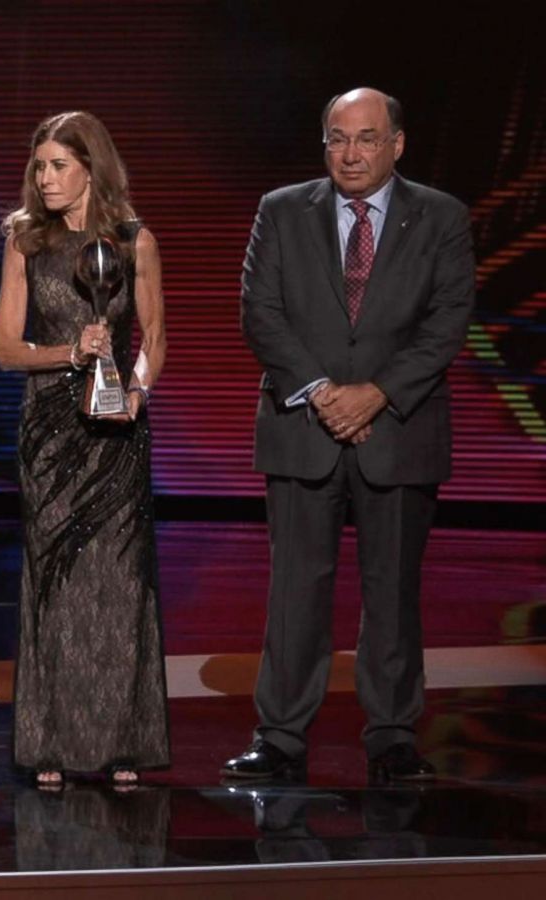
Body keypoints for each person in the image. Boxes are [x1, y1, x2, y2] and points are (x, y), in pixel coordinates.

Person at [223, 87, 474, 782]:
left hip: (400, 429)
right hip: (304, 426)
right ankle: (280, 737)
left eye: (367, 138)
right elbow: (260, 312)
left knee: (393, 593)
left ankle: (393, 736)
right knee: (295, 591)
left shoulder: (442, 216)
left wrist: (377, 394)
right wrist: (327, 394)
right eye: (338, 138)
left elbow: (448, 320)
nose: (351, 153)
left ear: (397, 144)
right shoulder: (281, 210)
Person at [0, 111, 169, 787]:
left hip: (117, 432)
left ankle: (123, 742)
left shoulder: (134, 242)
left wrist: (138, 393)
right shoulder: (25, 242)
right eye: (39, 167)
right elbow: (6, 348)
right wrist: (70, 352)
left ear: (91, 167)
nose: (45, 178)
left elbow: (153, 339)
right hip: (51, 430)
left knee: (119, 584)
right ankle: (53, 745)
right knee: (57, 583)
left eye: (58, 166)